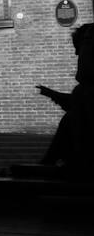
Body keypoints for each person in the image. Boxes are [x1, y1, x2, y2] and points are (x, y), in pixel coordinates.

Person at [37, 23, 94, 171]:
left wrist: (53, 95)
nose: (77, 54)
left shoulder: (84, 91)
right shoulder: (83, 91)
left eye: (80, 49)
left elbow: (78, 105)